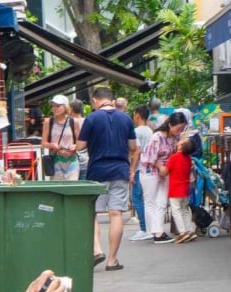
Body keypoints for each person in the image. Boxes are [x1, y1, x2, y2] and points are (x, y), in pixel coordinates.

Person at [79, 86, 138, 271]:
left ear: (95, 101)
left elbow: (80, 146)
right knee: (116, 213)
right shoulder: (126, 118)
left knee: (92, 213)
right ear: (111, 100)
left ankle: (97, 250)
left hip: (97, 171)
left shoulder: (91, 118)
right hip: (120, 170)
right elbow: (133, 146)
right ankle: (112, 260)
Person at [139, 115, 184, 244]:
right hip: (151, 172)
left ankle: (158, 231)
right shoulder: (156, 137)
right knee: (151, 202)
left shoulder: (175, 138)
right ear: (170, 125)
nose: (179, 131)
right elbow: (150, 157)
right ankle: (156, 232)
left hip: (165, 172)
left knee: (162, 202)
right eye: (178, 128)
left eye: (181, 129)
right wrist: (161, 167)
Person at [129, 105, 154, 242]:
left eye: (134, 115)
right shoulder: (150, 131)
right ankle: (149, 227)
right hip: (149, 168)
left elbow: (136, 151)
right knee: (147, 200)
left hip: (139, 167)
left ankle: (144, 228)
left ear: (138, 116)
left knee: (136, 198)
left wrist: (132, 170)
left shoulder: (136, 131)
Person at [41, 95, 80, 181]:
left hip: (72, 161)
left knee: (72, 187)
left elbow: (79, 142)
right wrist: (52, 145)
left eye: (58, 106)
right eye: (53, 106)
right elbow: (43, 143)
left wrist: (75, 146)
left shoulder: (73, 121)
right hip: (56, 160)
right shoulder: (48, 122)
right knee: (57, 187)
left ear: (65, 107)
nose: (55, 108)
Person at [166, 136, 198, 243]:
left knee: (176, 211)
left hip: (175, 189)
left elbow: (166, 170)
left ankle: (182, 232)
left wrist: (159, 166)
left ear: (180, 147)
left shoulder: (174, 158)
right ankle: (190, 230)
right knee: (184, 210)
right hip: (185, 188)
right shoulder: (188, 158)